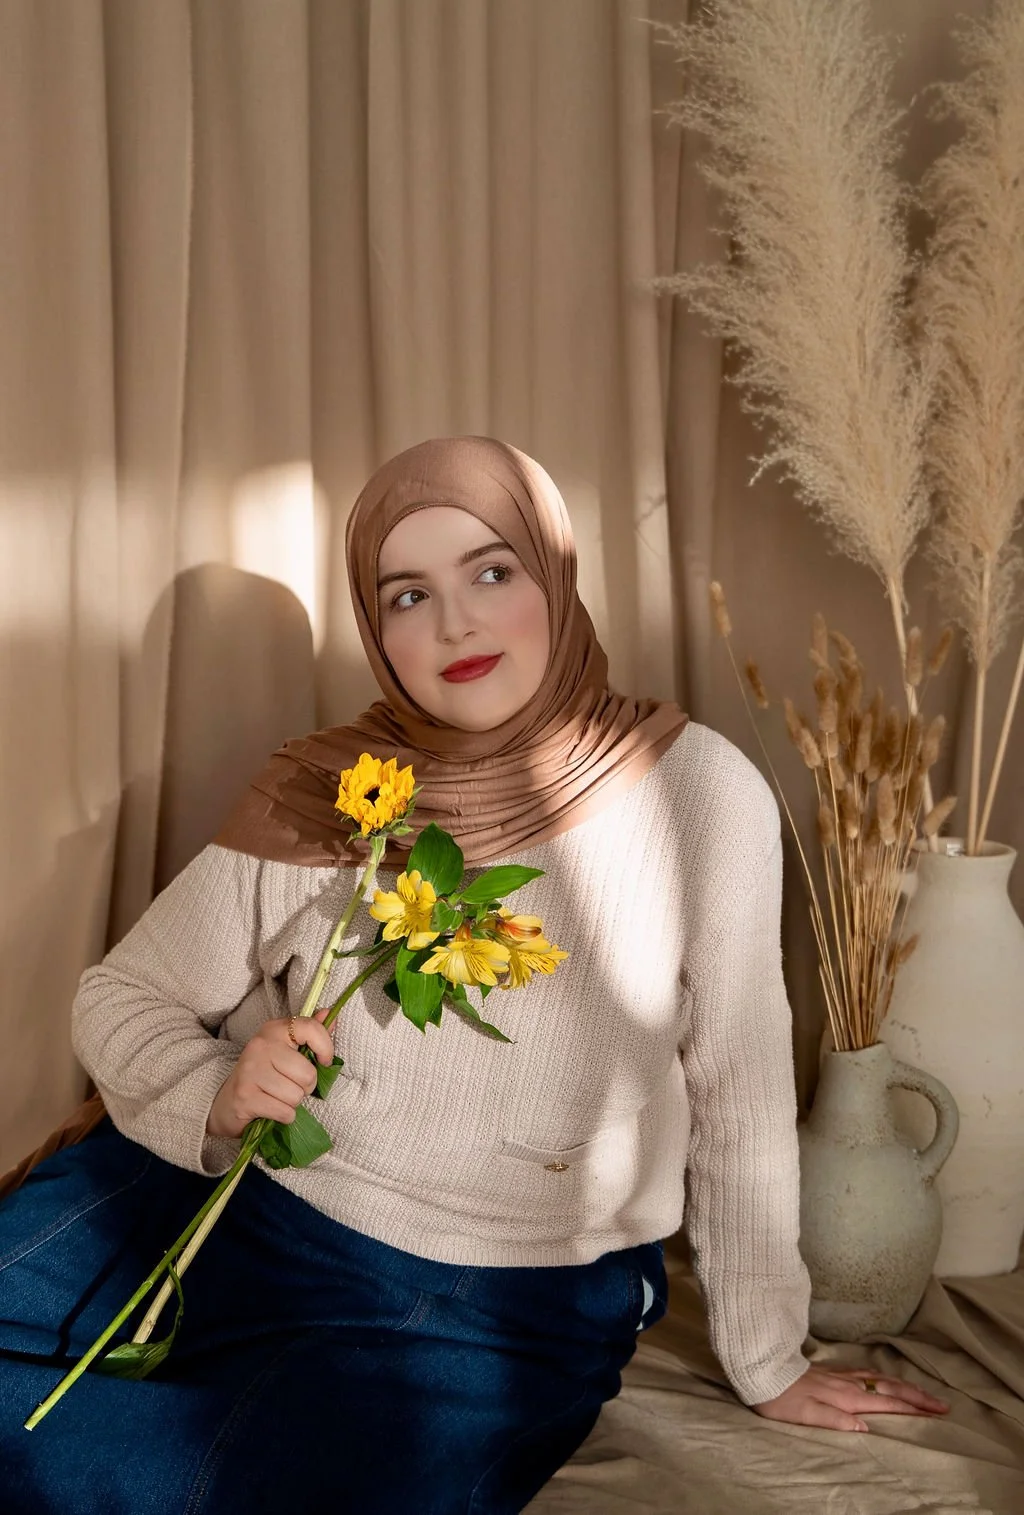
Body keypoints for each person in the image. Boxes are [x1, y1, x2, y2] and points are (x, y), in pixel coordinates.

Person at [0, 437, 947, 1513]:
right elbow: (122, 997)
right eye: (408, 594)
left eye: (492, 572)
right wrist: (218, 1091)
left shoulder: (697, 793)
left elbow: (740, 1089)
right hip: (233, 1202)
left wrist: (768, 1357)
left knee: (176, 1487)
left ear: (555, 576)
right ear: (375, 624)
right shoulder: (335, 791)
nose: (453, 623)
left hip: (497, 1299)